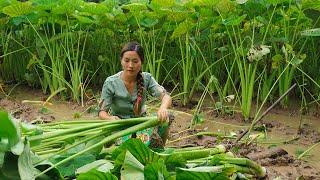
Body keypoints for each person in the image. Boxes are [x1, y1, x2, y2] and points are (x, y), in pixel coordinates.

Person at [98, 41, 172, 148]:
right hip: (120, 126)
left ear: (141, 62)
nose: (130, 65)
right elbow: (102, 112)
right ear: (121, 61)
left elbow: (166, 96)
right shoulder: (111, 82)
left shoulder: (147, 78)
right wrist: (110, 118)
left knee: (165, 120)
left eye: (135, 61)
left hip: (142, 123)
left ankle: (161, 149)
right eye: (126, 60)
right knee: (131, 148)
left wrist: (163, 108)